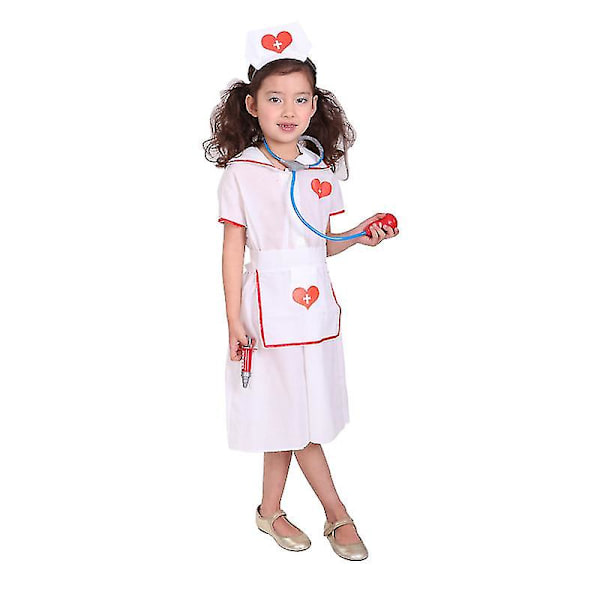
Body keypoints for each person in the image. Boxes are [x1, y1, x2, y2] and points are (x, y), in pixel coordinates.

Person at [203, 22, 399, 561]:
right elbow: (233, 251)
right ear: (252, 106)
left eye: (300, 99)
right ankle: (338, 514)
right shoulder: (241, 173)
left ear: (315, 106)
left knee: (288, 415)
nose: (288, 110)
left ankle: (269, 512)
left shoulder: (319, 170)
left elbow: (322, 244)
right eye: (274, 98)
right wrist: (232, 321)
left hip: (314, 314)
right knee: (295, 419)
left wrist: (361, 235)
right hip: (265, 313)